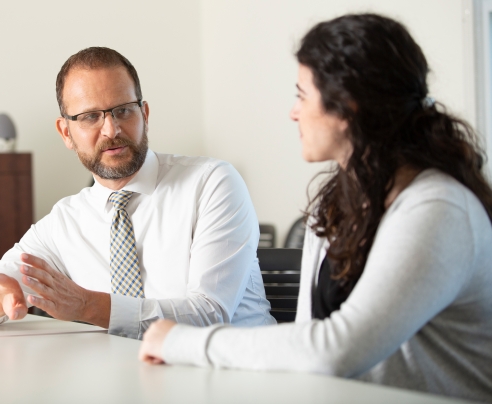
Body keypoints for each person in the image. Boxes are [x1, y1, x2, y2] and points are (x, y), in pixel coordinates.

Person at [139, 14, 492, 402]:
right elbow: (310, 334)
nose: (294, 112)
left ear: (347, 107)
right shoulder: (337, 202)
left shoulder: (438, 209)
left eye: (302, 95)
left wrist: (181, 342)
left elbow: (334, 349)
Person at [0, 47, 275, 339]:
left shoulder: (211, 183)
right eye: (90, 117)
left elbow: (210, 315)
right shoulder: (66, 221)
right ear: (66, 132)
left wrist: (88, 306)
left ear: (144, 115)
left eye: (123, 111)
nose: (112, 130)